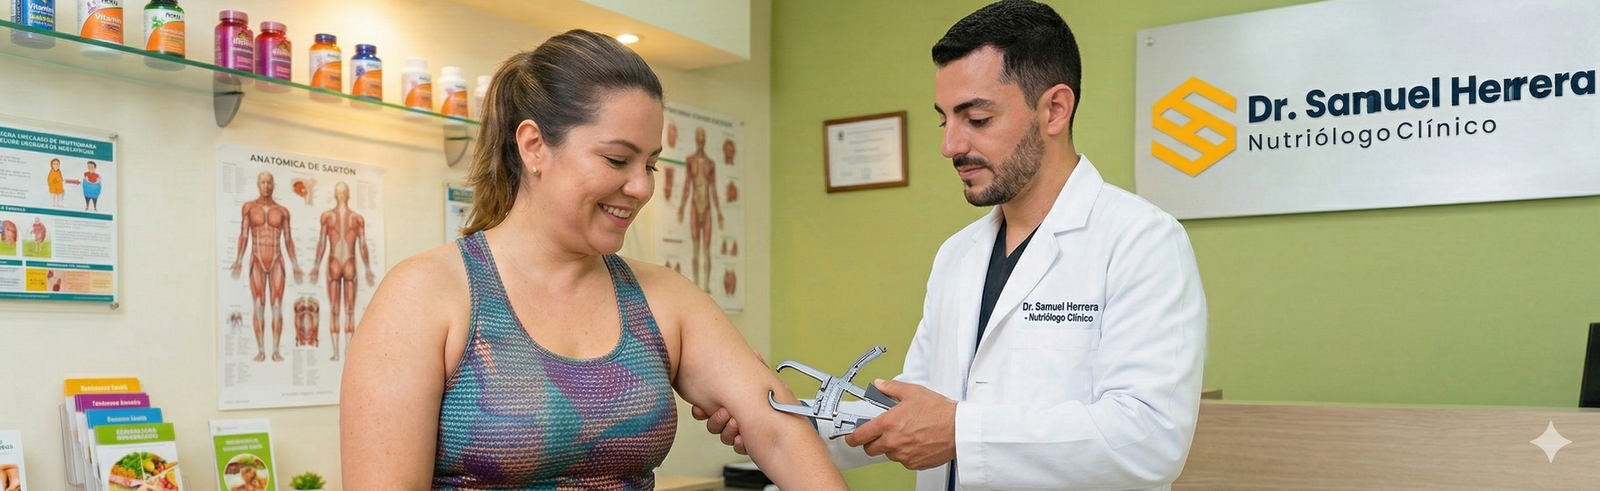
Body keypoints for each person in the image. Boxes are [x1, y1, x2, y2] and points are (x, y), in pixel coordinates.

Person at [694, 2, 1208, 490]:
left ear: (1054, 109)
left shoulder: (1141, 240)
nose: (950, 146)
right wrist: (781, 413)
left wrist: (962, 431)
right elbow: (907, 412)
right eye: (945, 120)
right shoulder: (958, 256)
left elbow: (1151, 436)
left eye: (977, 120)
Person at [339, 30, 847, 490]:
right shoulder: (425, 294)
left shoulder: (664, 298)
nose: (642, 186)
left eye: (650, 163)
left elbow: (778, 430)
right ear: (534, 145)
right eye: (616, 159)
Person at [230, 172, 305, 363]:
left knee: (277, 305)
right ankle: (261, 350)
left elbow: (288, 239)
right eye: (262, 182)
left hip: (276, 258)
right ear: (258, 184)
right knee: (258, 305)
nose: (266, 186)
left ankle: (276, 350)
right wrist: (238, 259)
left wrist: (295, 264)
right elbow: (244, 235)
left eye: (269, 183)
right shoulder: (249, 208)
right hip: (256, 258)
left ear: (273, 185)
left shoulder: (282, 211)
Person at [309, 182, 376, 361]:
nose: (341, 196)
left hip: (336, 262)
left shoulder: (331, 217)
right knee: (346, 309)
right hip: (348, 263)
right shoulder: (354, 218)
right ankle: (342, 352)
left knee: (339, 309)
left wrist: (316, 266)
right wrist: (315, 266)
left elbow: (323, 243)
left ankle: (340, 353)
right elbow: (360, 245)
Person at [676, 127, 724, 293]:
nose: (701, 139)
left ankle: (707, 285)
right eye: (699, 136)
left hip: (708, 208)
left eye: (703, 136)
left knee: (707, 248)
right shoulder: (690, 161)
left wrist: (719, 212)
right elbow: (687, 185)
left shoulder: (711, 164)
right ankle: (696, 284)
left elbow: (714, 189)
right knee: (696, 247)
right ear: (696, 139)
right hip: (695, 207)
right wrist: (681, 207)